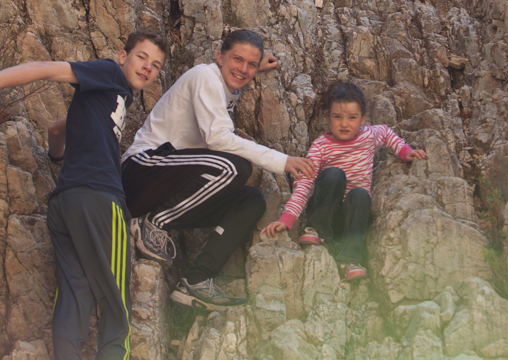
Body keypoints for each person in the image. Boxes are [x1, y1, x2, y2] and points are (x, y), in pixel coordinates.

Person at [0, 30, 169, 360]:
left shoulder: (113, 98)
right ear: (122, 56)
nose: (146, 66)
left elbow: (60, 126)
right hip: (100, 202)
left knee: (73, 306)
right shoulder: (108, 74)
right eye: (141, 57)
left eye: (155, 64)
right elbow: (49, 69)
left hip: (65, 206)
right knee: (116, 313)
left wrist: (58, 151)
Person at [121, 30, 315, 311]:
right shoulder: (204, 75)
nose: (244, 69)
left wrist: (251, 66)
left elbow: (237, 74)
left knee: (251, 201)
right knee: (234, 167)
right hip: (141, 171)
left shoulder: (226, 85)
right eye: (237, 59)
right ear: (219, 57)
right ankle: (152, 223)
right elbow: (218, 138)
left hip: (168, 181)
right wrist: (282, 161)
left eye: (251, 64)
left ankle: (196, 280)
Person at [261, 82, 425, 280]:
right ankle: (315, 229)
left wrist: (406, 152)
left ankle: (351, 259)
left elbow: (388, 135)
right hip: (324, 209)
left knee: (361, 195)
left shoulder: (369, 135)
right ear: (328, 117)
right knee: (334, 174)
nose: (344, 124)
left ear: (363, 118)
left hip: (350, 215)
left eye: (352, 118)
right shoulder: (320, 146)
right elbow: (304, 184)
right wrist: (286, 220)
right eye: (337, 117)